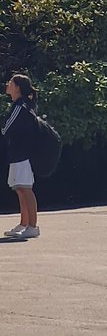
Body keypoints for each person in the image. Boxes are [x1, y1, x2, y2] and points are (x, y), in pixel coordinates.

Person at [2, 74, 40, 240]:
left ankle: (32, 226)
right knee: (19, 188)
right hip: (18, 154)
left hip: (23, 154)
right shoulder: (21, 105)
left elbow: (6, 129)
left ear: (17, 87)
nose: (8, 84)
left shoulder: (20, 105)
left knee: (25, 189)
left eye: (11, 82)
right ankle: (24, 224)